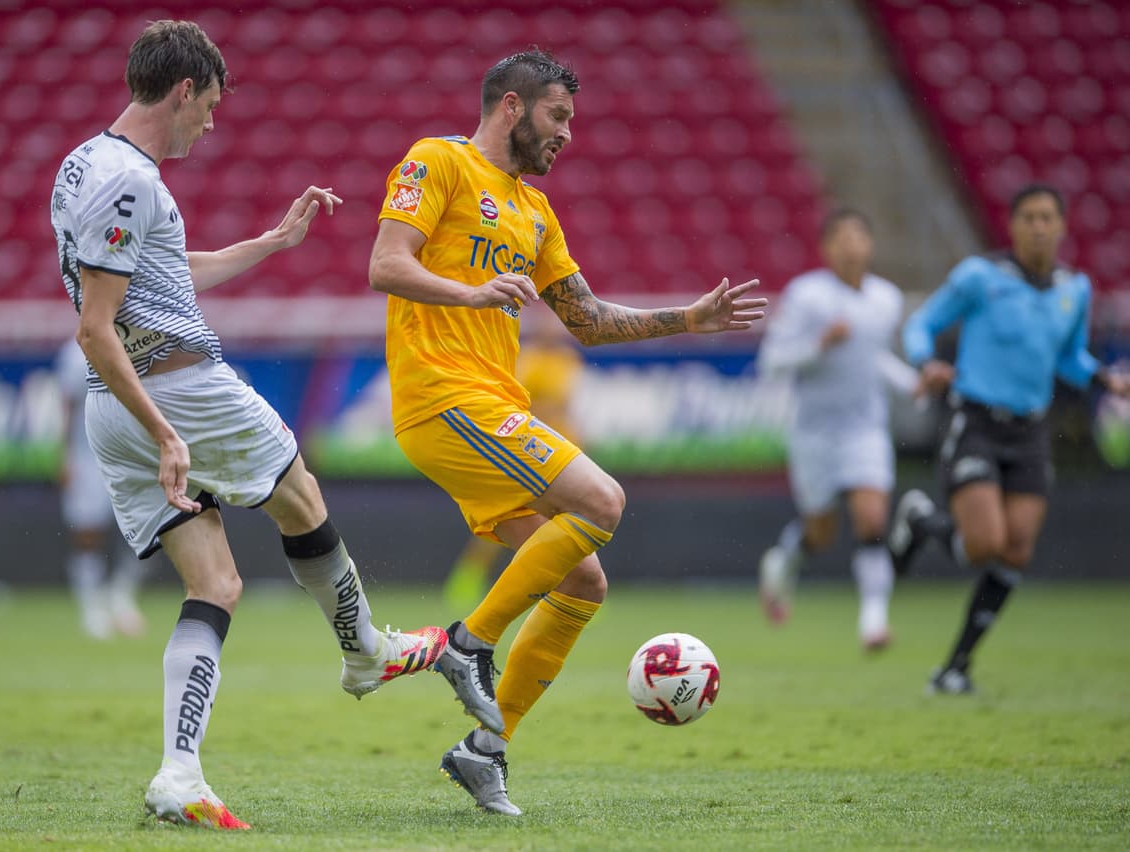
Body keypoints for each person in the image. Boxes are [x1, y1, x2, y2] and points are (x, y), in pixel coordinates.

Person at [50, 21, 448, 830]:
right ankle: (366, 650)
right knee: (299, 492)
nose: (213, 123)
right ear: (185, 89)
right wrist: (167, 432)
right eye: (211, 106)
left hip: (111, 406)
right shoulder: (130, 180)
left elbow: (153, 271)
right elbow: (95, 324)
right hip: (178, 391)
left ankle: (179, 774)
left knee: (216, 586)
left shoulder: (87, 163)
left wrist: (271, 241)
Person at [367, 49, 765, 816]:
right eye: (558, 117)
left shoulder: (535, 212)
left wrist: (688, 318)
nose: (568, 135)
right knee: (602, 501)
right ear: (511, 108)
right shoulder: (437, 161)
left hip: (490, 405)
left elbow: (585, 319)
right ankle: (467, 644)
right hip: (446, 397)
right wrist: (474, 292)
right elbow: (386, 264)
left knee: (583, 579)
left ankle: (486, 751)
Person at [888, 183, 1130, 695]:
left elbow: (1068, 356)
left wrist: (1103, 378)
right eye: (1029, 217)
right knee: (984, 546)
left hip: (1031, 431)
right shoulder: (981, 277)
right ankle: (922, 520)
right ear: (1014, 226)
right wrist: (924, 361)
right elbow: (921, 324)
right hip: (975, 422)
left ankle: (954, 668)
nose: (1039, 226)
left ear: (1062, 226)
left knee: (1015, 551)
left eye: (1048, 217)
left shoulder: (1074, 288)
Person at [755, 209, 918, 651]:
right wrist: (819, 344)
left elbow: (874, 358)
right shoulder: (807, 296)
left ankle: (873, 621)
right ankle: (785, 559)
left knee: (871, 518)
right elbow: (772, 361)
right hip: (815, 434)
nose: (850, 246)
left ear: (870, 245)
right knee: (821, 533)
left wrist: (914, 383)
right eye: (840, 238)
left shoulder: (885, 299)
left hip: (865, 428)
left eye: (858, 236)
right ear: (826, 248)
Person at [441, 315, 587, 611]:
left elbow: (566, 405)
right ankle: (469, 579)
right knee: (507, 518)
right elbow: (521, 402)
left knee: (572, 523)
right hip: (528, 447)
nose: (553, 330)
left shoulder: (569, 360)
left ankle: (581, 586)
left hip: (561, 443)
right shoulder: (526, 357)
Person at [56, 337, 148, 640]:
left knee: (148, 529)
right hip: (89, 456)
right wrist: (66, 456)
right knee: (88, 532)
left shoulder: (138, 339)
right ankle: (90, 606)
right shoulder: (74, 355)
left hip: (132, 452)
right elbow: (67, 406)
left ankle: (122, 596)